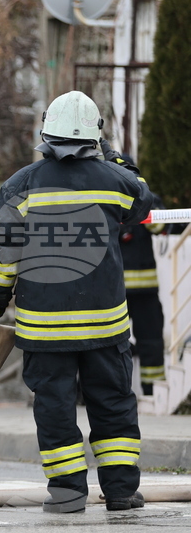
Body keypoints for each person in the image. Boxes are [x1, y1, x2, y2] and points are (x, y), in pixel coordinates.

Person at [0, 91, 154, 514]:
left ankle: (68, 492)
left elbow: (4, 259)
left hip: (45, 330)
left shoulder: (19, 186)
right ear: (95, 135)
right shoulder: (116, 181)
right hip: (105, 328)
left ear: (46, 132)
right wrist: (117, 160)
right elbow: (142, 200)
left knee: (54, 409)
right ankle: (121, 492)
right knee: (113, 404)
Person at [118, 154, 168, 396]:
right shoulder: (106, 199)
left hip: (143, 291)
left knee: (151, 342)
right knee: (109, 344)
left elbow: (162, 226)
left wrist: (142, 201)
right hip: (115, 291)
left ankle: (153, 392)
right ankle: (110, 391)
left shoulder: (147, 199)